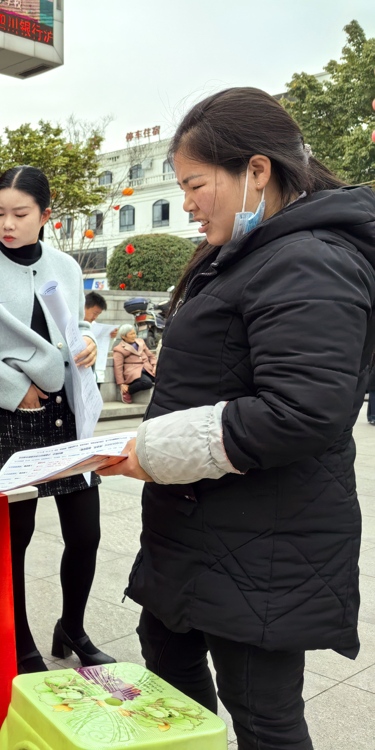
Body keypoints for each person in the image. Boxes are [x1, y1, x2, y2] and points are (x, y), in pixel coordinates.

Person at [99, 87, 375, 750]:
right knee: (167, 669)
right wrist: (160, 374)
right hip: (198, 527)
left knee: (262, 713)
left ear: (256, 170)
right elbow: (238, 369)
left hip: (263, 540)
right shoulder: (248, 252)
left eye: (195, 184)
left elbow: (305, 408)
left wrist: (158, 450)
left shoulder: (309, 258)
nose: (186, 203)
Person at [0, 165, 113, 674]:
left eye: (20, 214)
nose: (7, 224)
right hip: (13, 412)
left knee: (85, 533)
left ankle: (73, 627)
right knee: (13, 539)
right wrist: (14, 390)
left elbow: (77, 326)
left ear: (45, 213)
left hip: (68, 414)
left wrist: (87, 343)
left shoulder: (64, 263)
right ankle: (19, 640)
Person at [112, 323, 156, 404]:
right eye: (131, 334)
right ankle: (128, 391)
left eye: (134, 333)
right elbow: (118, 367)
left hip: (147, 368)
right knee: (147, 383)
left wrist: (155, 365)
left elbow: (151, 355)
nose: (133, 336)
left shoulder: (141, 342)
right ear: (123, 336)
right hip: (133, 371)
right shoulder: (119, 349)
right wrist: (121, 384)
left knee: (163, 378)